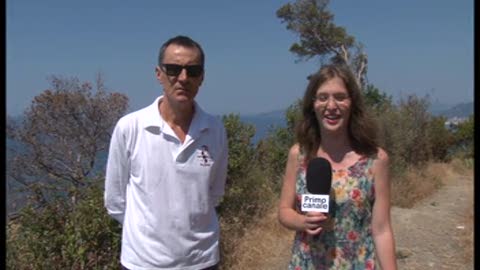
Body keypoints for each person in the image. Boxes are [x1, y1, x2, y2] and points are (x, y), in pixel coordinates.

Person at [104, 35, 228, 270]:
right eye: (173, 69)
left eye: (193, 71)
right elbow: (115, 201)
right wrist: (146, 239)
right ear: (159, 74)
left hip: (202, 262)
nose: (183, 78)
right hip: (142, 264)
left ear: (202, 77)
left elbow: (214, 195)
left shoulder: (215, 129)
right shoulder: (131, 127)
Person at [278, 64, 397, 269]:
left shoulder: (375, 160)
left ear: (352, 103)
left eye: (340, 97)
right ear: (313, 104)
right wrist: (302, 222)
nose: (331, 105)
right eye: (323, 97)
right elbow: (284, 212)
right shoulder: (298, 156)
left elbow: (382, 230)